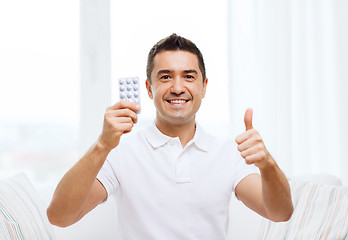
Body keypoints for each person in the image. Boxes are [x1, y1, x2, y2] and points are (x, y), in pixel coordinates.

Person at [47, 34, 293, 239]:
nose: (177, 87)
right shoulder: (120, 151)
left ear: (204, 86)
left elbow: (280, 213)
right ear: (148, 88)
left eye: (188, 76)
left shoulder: (229, 152)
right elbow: (60, 216)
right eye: (165, 76)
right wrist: (102, 145)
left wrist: (267, 164)